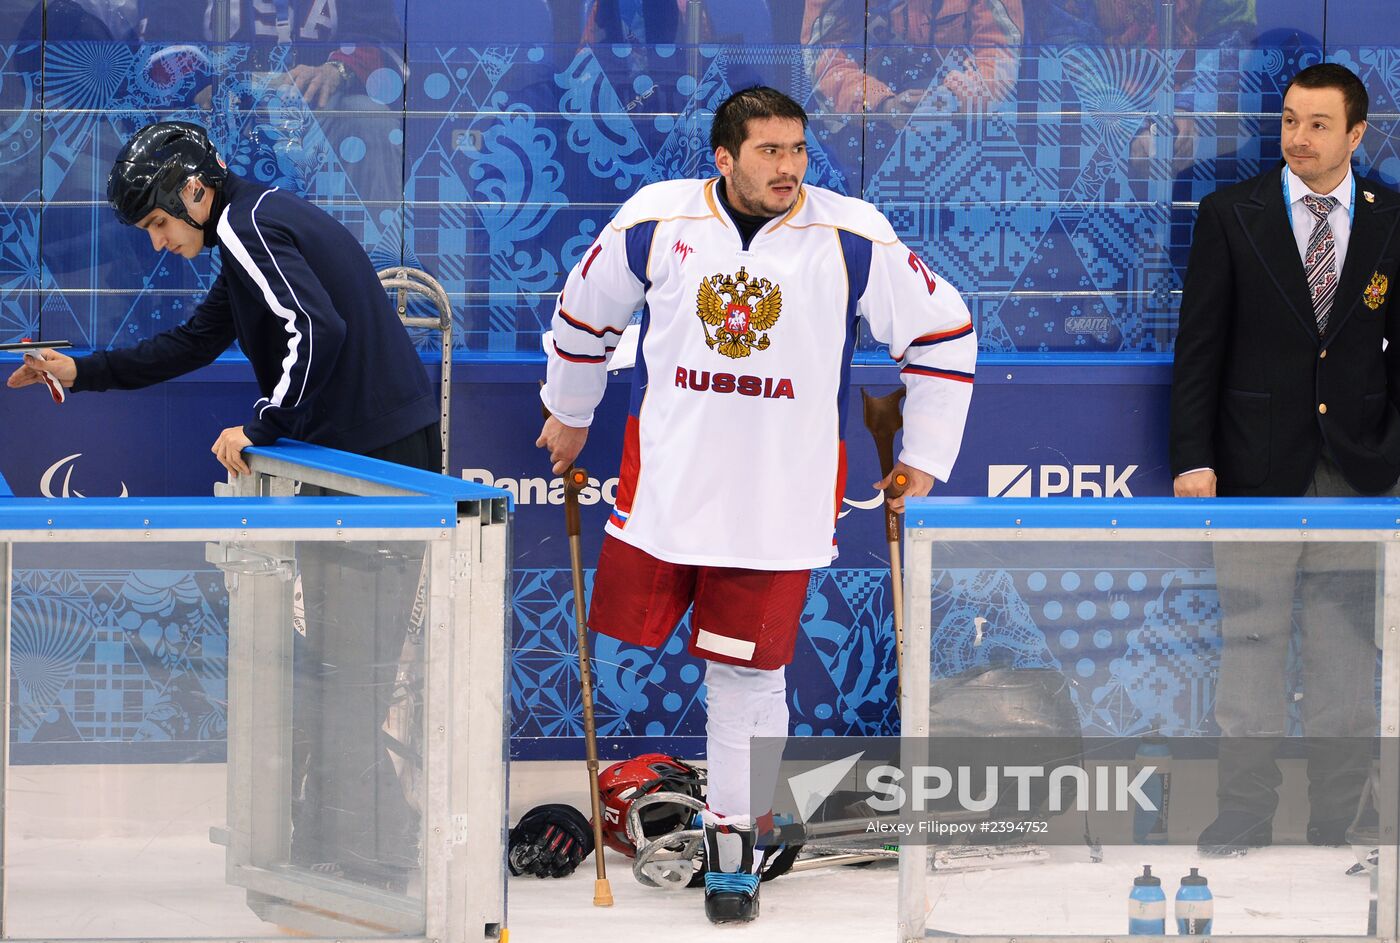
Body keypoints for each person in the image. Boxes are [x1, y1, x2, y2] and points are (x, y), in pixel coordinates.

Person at [536, 86, 976, 923]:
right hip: (668, 492)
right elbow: (583, 312)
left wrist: (923, 457)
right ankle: (724, 803)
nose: (789, 167)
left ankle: (736, 839)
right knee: (646, 651)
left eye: (799, 150)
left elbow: (944, 331)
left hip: (777, 507)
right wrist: (569, 410)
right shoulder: (656, 220)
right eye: (770, 151)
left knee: (745, 671)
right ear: (724, 157)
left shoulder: (850, 234)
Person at [7, 120, 440, 885]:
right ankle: (359, 844)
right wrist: (79, 371)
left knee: (349, 670)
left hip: (380, 464)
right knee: (342, 668)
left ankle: (372, 857)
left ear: (194, 190)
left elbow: (316, 327)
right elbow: (188, 343)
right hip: (365, 457)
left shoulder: (248, 226)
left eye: (160, 223)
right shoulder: (250, 230)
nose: (158, 242)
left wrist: (264, 427)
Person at [1169, 63, 1398, 854]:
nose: (1298, 137)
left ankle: (1340, 818)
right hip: (1253, 472)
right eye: (1290, 121)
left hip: (1358, 476)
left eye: (1318, 124)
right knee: (1253, 648)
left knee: (1344, 658)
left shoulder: (1392, 220)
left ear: (1357, 135)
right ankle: (1244, 814)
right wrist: (1193, 456)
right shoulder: (1232, 214)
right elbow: (1199, 350)